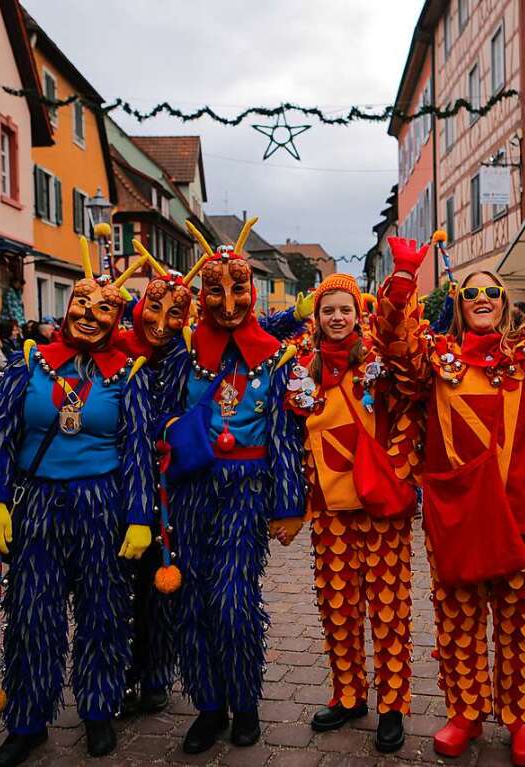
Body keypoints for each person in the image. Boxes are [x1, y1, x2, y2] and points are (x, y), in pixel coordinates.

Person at [373, 201, 525, 766]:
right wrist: (404, 281)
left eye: (492, 292)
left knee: (522, 626)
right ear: (458, 307)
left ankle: (523, 720)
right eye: (471, 293)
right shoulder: (435, 359)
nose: (482, 298)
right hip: (457, 514)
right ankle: (464, 713)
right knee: (458, 621)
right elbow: (394, 346)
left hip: (523, 513)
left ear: (505, 305)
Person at [0, 238, 155, 766]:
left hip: (101, 506)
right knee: (33, 614)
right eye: (82, 306)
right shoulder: (30, 364)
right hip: (39, 504)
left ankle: (98, 709)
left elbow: (137, 451)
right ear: (67, 307)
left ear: (117, 319)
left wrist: (139, 518)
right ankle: (27, 719)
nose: (90, 317)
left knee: (103, 613)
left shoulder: (128, 375)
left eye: (104, 310)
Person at [160, 219, 306, 754]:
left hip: (247, 487)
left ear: (253, 290)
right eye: (215, 290)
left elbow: (287, 437)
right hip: (193, 487)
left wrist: (289, 504)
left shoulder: (275, 357)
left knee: (234, 599)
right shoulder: (182, 353)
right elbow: (156, 414)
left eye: (238, 288)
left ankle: (244, 702)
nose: (227, 301)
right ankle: (208, 705)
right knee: (192, 599)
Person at [286, 273, 420, 753]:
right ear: (318, 318)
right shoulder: (301, 367)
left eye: (344, 309)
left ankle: (392, 706)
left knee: (388, 610)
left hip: (380, 506)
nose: (337, 317)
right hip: (330, 510)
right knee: (338, 607)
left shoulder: (382, 364)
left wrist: (400, 473)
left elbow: (408, 416)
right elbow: (294, 436)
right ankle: (348, 695)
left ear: (358, 314)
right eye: (328, 310)